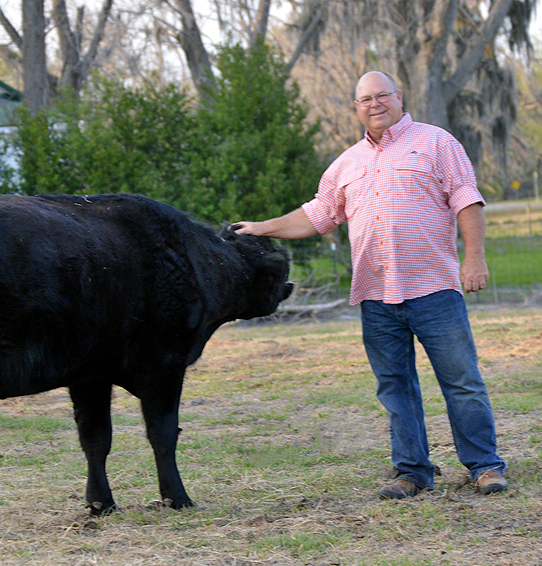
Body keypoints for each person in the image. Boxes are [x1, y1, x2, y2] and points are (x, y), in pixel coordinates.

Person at [233, 71, 507, 499]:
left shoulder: (437, 143)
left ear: (399, 97)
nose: (375, 104)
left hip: (433, 287)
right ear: (357, 107)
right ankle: (412, 472)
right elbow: (318, 214)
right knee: (395, 387)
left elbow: (466, 200)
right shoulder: (346, 163)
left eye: (382, 95)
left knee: (461, 380)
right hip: (376, 296)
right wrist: (260, 228)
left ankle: (485, 465)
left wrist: (474, 258)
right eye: (365, 99)